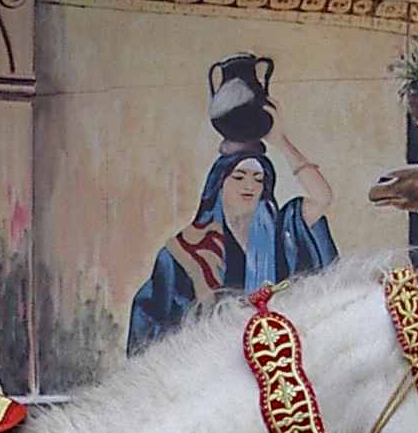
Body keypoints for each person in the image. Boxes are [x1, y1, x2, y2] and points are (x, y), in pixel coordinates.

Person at [126, 107, 336, 353]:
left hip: (280, 356)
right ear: (219, 184)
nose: (249, 186)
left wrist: (281, 142)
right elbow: (150, 326)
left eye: (259, 179)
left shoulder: (284, 231)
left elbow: (323, 198)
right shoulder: (185, 253)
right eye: (239, 177)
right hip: (214, 365)